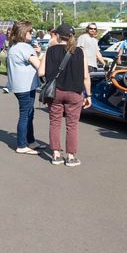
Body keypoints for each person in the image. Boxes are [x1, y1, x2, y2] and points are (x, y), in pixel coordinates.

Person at [38, 24, 90, 167]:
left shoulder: (50, 50)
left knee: (55, 122)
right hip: (75, 93)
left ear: (58, 35)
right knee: (72, 125)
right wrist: (89, 95)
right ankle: (71, 156)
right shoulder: (80, 52)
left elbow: (40, 73)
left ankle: (56, 155)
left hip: (55, 92)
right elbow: (86, 76)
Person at [6, 21, 43, 155]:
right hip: (26, 86)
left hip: (18, 86)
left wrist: (36, 53)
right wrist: (42, 54)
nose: (32, 34)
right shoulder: (25, 47)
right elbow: (39, 66)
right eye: (30, 31)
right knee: (25, 114)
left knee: (28, 113)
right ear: (23, 33)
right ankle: (22, 145)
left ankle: (30, 140)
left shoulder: (14, 47)